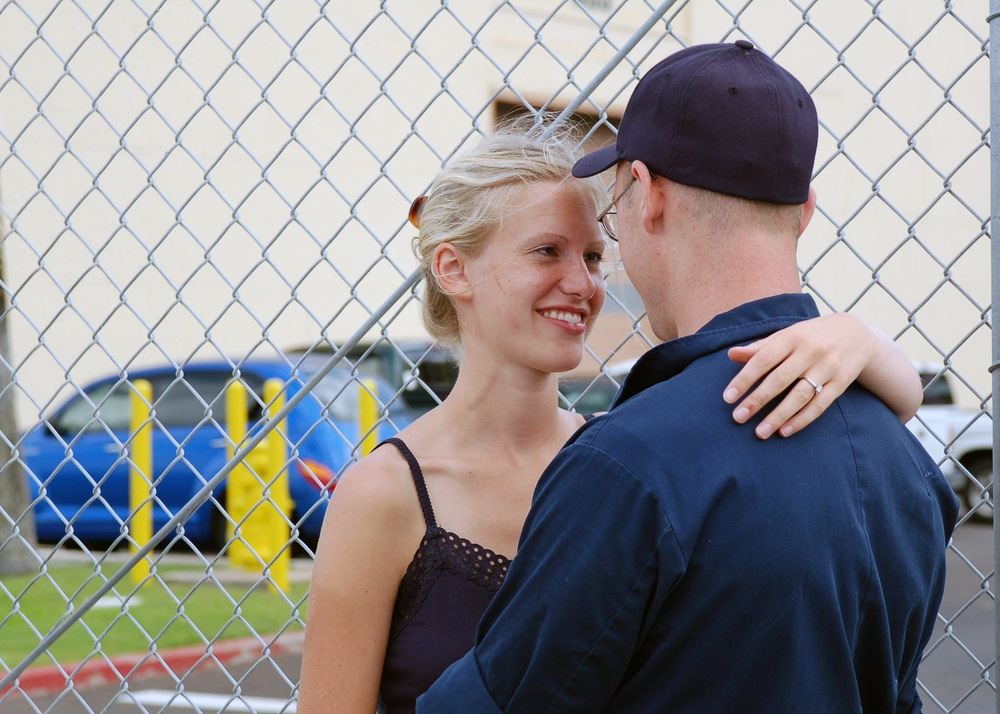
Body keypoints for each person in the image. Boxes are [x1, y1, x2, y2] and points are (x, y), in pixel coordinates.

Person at [297, 115, 927, 714]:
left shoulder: (626, 466)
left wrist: (861, 340)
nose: (584, 284)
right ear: (453, 267)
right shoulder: (385, 494)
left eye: (595, 257)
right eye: (548, 251)